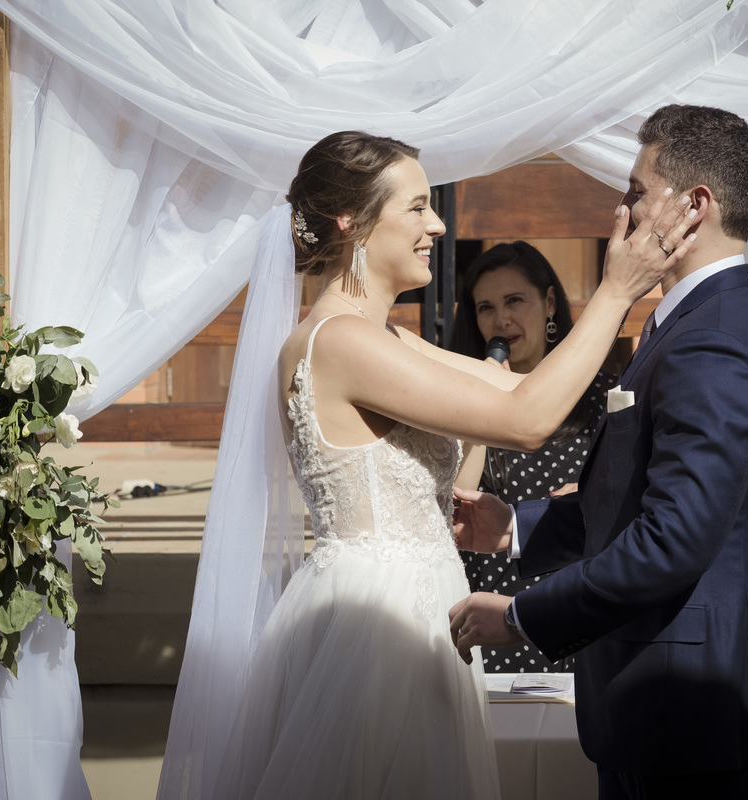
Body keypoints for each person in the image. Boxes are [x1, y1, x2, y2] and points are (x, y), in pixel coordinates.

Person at [204, 130, 697, 799]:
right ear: (353, 220)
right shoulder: (341, 341)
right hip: (376, 624)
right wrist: (613, 292)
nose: (436, 224)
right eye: (416, 207)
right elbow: (525, 422)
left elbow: (524, 388)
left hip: (422, 603)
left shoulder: (386, 337)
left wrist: (654, 327)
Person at [449, 105, 748, 800]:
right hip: (658, 712)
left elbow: (673, 540)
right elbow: (635, 503)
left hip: (693, 713)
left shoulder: (715, 340)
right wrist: (513, 527)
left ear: (694, 206)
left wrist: (523, 617)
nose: (623, 209)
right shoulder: (694, 324)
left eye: (637, 191)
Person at [448, 241, 614, 673]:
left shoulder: (602, 397)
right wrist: (485, 401)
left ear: (550, 302)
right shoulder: (461, 398)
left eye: (514, 301)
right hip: (492, 621)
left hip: (577, 622)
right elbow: (455, 496)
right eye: (485, 308)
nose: (501, 319)